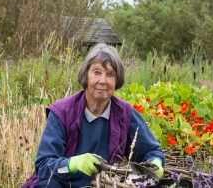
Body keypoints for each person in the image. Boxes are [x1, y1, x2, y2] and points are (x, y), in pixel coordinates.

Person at [22, 43, 165, 188]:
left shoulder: (125, 113)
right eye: (96, 72)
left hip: (104, 184)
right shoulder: (62, 112)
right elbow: (43, 167)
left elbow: (151, 151)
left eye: (110, 75)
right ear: (86, 76)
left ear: (117, 81)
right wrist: (72, 165)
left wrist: (155, 163)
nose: (103, 81)